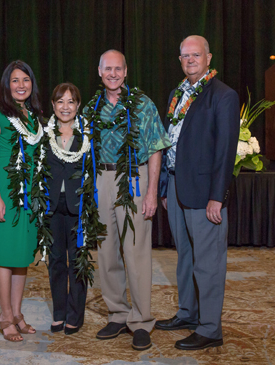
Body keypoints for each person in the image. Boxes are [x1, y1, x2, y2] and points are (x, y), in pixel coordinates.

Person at [155, 35, 240, 350]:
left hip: (205, 193)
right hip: (176, 187)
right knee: (185, 258)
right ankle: (188, 313)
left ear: (208, 58)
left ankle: (210, 328)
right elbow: (168, 142)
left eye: (195, 54)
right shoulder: (177, 93)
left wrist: (218, 196)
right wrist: (165, 186)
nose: (190, 59)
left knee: (208, 262)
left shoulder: (223, 96)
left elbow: (225, 152)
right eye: (184, 55)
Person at [85, 50, 171, 351]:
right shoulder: (91, 108)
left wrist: (151, 192)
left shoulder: (142, 104)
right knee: (106, 251)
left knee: (135, 252)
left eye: (118, 68)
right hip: (101, 181)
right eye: (107, 69)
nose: (113, 73)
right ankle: (118, 313)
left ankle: (142, 320)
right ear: (99, 71)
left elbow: (156, 148)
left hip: (135, 179)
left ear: (126, 71)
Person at [0, 60, 43, 342]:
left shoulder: (32, 115)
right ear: (7, 85)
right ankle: (5, 315)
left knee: (22, 257)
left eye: (26, 80)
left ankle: (17, 313)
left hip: (28, 194)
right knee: (5, 256)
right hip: (4, 193)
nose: (21, 85)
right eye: (15, 80)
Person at [46, 83, 88, 335]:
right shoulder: (43, 133)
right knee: (57, 262)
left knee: (78, 263)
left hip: (78, 207)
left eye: (70, 101)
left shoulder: (87, 134)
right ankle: (59, 313)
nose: (65, 106)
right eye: (60, 101)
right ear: (53, 105)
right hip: (52, 207)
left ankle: (75, 315)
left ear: (78, 105)